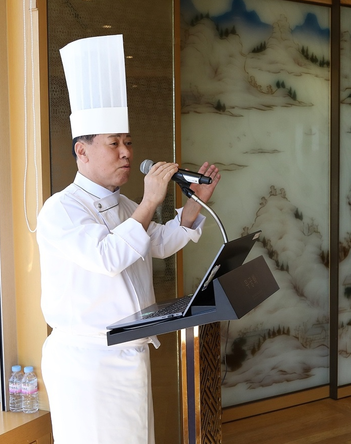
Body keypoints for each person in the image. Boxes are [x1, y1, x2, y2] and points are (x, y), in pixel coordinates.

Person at [37, 35, 220, 444]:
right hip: (88, 363)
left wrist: (194, 203)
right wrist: (151, 200)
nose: (126, 152)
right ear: (82, 151)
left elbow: (156, 243)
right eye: (114, 143)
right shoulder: (61, 209)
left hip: (130, 352)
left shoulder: (123, 203)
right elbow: (108, 257)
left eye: (129, 142)